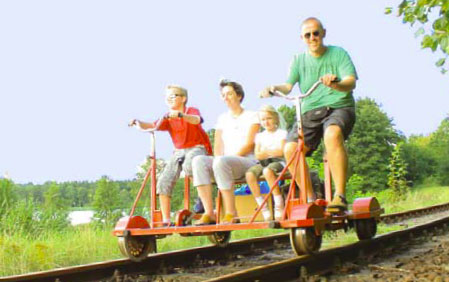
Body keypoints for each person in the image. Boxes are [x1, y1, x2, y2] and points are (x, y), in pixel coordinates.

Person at [260, 17, 357, 212]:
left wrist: (336, 83)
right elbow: (287, 86)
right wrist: (273, 88)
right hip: (310, 111)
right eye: (308, 35)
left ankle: (339, 196)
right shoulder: (298, 60)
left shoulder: (338, 54)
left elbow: (351, 82)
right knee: (290, 149)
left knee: (332, 135)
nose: (312, 38)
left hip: (338, 106)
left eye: (316, 33)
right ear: (302, 38)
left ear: (323, 33)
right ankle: (311, 199)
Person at [130, 85, 212, 225]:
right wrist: (138, 122)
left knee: (189, 165)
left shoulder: (190, 110)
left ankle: (202, 200)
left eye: (173, 96)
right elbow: (153, 125)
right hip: (178, 150)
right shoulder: (167, 117)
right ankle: (166, 220)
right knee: (164, 180)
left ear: (183, 98)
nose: (169, 99)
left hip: (197, 147)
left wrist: (181, 115)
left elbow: (197, 119)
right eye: (167, 97)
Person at [192, 79, 260, 225]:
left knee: (222, 161)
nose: (226, 98)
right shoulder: (222, 119)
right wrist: (219, 161)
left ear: (239, 96)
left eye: (229, 94)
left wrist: (225, 160)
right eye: (223, 95)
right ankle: (209, 212)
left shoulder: (252, 116)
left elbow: (250, 144)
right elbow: (218, 146)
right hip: (224, 163)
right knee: (198, 160)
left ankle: (231, 213)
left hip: (247, 161)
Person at [245, 105, 287, 221]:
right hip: (263, 162)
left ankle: (278, 203)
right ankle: (262, 205)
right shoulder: (260, 136)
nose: (266, 122)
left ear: (275, 119)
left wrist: (266, 152)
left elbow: (281, 151)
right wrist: (271, 152)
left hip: (278, 162)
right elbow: (258, 154)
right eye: (263, 120)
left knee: (268, 171)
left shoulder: (281, 133)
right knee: (250, 174)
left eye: (269, 118)